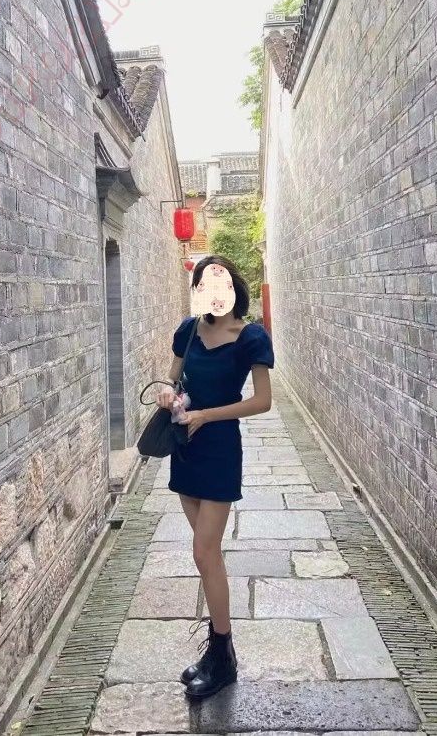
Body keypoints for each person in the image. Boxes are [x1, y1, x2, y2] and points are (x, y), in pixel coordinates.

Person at [155, 255, 275, 700]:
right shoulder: (188, 330)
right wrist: (168, 393)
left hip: (220, 448)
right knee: (208, 557)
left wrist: (207, 415)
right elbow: (171, 379)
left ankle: (223, 657)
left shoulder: (250, 337)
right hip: (186, 446)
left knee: (204, 551)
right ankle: (218, 654)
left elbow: (262, 401)